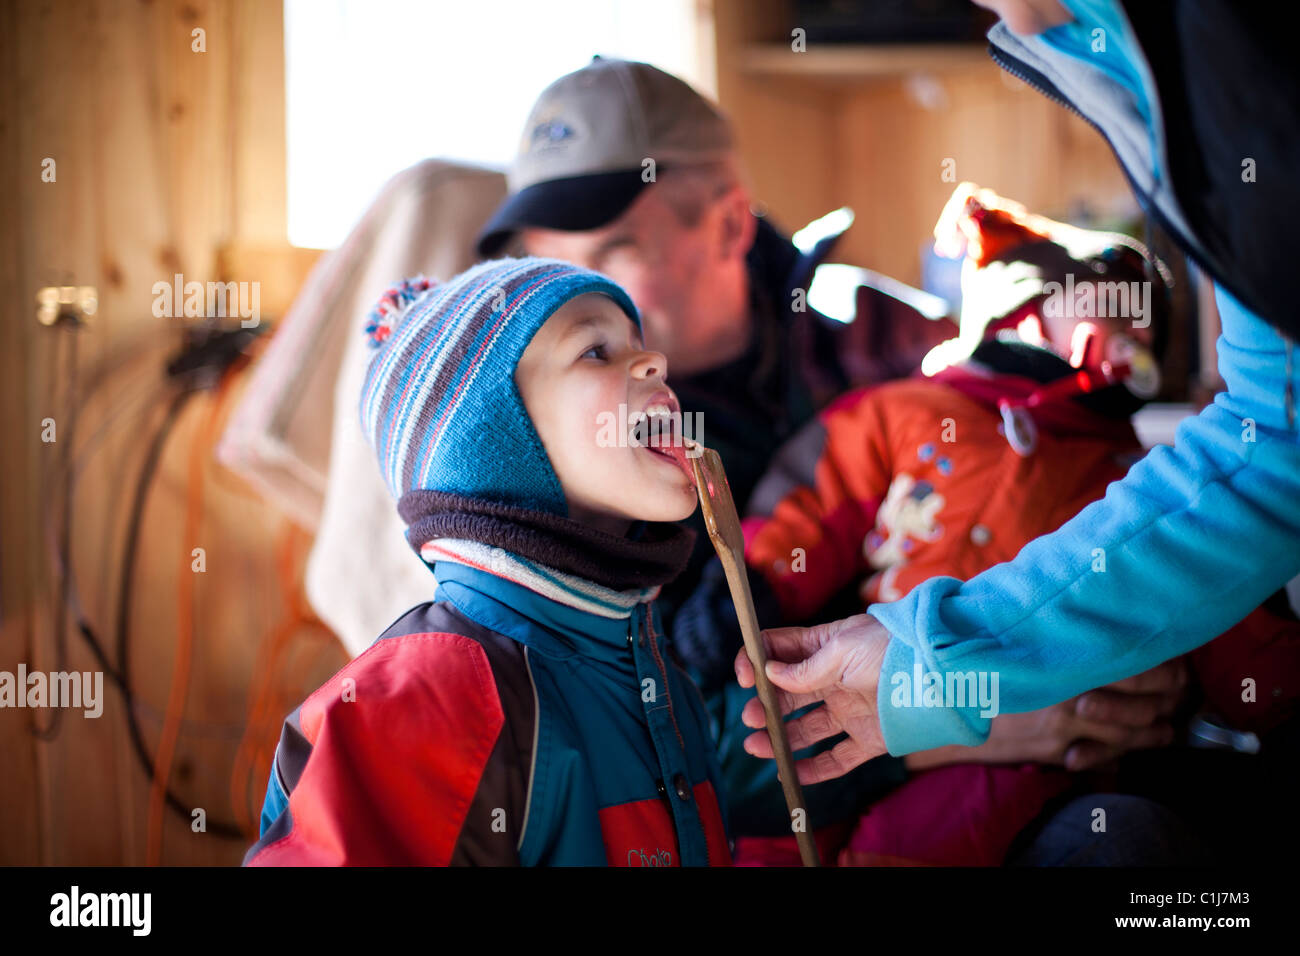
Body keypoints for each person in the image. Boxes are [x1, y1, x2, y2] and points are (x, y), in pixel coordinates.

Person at [476, 55, 1182, 808]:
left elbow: (1074, 480)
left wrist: (1150, 646)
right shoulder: (556, 461)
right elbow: (627, 746)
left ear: (728, 225)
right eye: (545, 266)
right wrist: (961, 716)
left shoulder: (904, 344)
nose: (568, 299)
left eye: (610, 253)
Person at [734, 0, 1300, 785]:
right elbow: (1271, 447)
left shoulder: (1120, 464)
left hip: (1069, 779)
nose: (1018, 25)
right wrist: (757, 601)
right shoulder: (900, 412)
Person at [695, 183, 1297, 866]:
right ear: (1026, 312)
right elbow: (816, 495)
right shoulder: (903, 413)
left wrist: (1275, 692)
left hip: (1047, 764)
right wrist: (752, 586)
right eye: (1114, 310)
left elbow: (1205, 567)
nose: (1140, 335)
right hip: (873, 698)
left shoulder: (1135, 471)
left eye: (1148, 325)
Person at [244, 258, 731, 866]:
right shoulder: (423, 697)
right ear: (495, 445)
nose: (653, 362)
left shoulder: (665, 684)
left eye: (638, 344)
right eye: (595, 351)